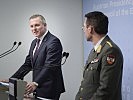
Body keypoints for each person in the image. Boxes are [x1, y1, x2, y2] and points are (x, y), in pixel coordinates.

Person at [3, 14, 65, 100]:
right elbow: (28, 64)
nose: (34, 29)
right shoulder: (34, 42)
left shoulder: (53, 41)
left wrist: (36, 83)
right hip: (38, 88)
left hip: (49, 89)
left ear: (45, 25)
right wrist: (12, 79)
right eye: (31, 26)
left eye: (37, 25)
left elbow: (50, 66)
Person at [75, 11, 123, 100]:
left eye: (84, 27)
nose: (83, 30)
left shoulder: (110, 51)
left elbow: (106, 90)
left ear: (90, 29)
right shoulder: (95, 50)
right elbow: (85, 84)